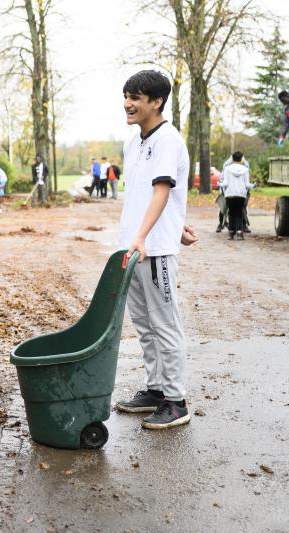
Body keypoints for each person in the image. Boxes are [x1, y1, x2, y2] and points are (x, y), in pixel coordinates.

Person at [113, 70, 198, 430]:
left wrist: (150, 235)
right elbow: (144, 194)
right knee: (144, 325)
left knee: (165, 325)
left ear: (156, 102)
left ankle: (176, 401)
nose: (128, 103)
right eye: (126, 95)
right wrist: (172, 222)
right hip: (134, 246)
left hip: (153, 249)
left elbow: (164, 190)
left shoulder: (168, 140)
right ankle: (156, 390)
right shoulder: (134, 141)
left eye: (136, 97)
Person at [219, 151, 255, 240]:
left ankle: (231, 233)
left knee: (231, 213)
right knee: (239, 213)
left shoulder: (227, 169)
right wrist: (253, 185)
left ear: (232, 158)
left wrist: (219, 184)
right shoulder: (245, 169)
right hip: (241, 195)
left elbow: (226, 183)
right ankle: (239, 233)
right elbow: (247, 184)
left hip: (230, 194)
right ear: (242, 158)